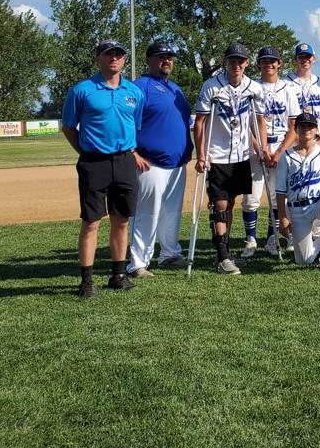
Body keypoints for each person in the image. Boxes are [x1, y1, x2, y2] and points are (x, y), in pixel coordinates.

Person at [62, 39, 145, 297]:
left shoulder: (134, 92)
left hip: (124, 161)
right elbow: (68, 127)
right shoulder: (82, 90)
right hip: (93, 162)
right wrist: (86, 152)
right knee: (91, 221)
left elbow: (135, 125)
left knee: (121, 221)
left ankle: (118, 275)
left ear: (124, 60)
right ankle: (87, 281)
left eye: (118, 54)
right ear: (98, 58)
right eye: (108, 54)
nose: (114, 58)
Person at [193, 43, 268, 275]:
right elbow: (200, 123)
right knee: (220, 204)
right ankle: (223, 256)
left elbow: (261, 121)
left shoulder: (254, 88)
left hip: (241, 155)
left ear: (247, 63)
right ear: (225, 62)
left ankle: (224, 250)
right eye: (232, 60)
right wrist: (202, 154)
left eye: (241, 61)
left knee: (232, 202)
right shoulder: (211, 86)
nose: (237, 65)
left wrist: (263, 148)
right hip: (217, 155)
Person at [127, 41, 193, 277]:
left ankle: (169, 253)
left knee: (171, 212)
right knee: (147, 212)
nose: (167, 61)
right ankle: (137, 263)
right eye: (161, 56)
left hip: (177, 163)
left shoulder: (175, 88)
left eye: (170, 57)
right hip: (149, 162)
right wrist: (133, 153)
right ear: (149, 60)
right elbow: (126, 122)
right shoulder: (140, 87)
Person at [242, 46, 298, 258]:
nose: (269, 64)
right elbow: (247, 124)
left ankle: (272, 239)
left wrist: (280, 152)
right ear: (258, 64)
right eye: (265, 61)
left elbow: (294, 125)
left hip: (281, 147)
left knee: (277, 198)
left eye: (273, 60)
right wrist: (260, 149)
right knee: (251, 199)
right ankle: (251, 240)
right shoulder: (251, 87)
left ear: (279, 63)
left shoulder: (288, 89)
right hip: (256, 148)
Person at [275, 113, 320, 271]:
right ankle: (319, 243)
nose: (306, 129)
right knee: (304, 260)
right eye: (302, 126)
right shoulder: (286, 156)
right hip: (297, 209)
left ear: (316, 129)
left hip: (318, 203)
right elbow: (280, 190)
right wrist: (282, 217)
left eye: (310, 126)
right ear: (296, 129)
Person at [284, 41, 320, 143]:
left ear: (313, 59)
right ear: (295, 59)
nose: (305, 60)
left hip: (318, 140)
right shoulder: (285, 83)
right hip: (293, 141)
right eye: (301, 57)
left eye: (308, 57)